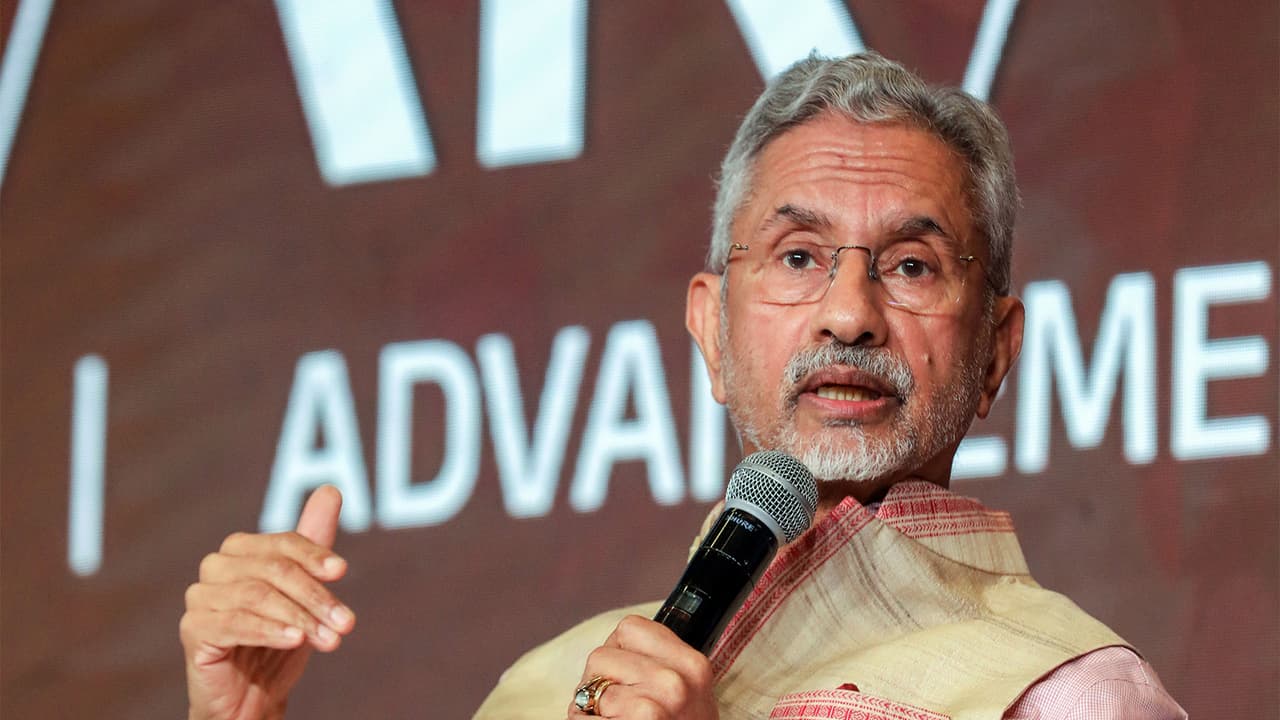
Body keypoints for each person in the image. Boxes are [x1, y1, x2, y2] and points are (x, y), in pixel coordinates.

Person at [180, 52, 1186, 719]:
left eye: (911, 266)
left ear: (996, 352)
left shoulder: (1069, 691)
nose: (848, 313)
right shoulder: (552, 684)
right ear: (709, 328)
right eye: (797, 257)